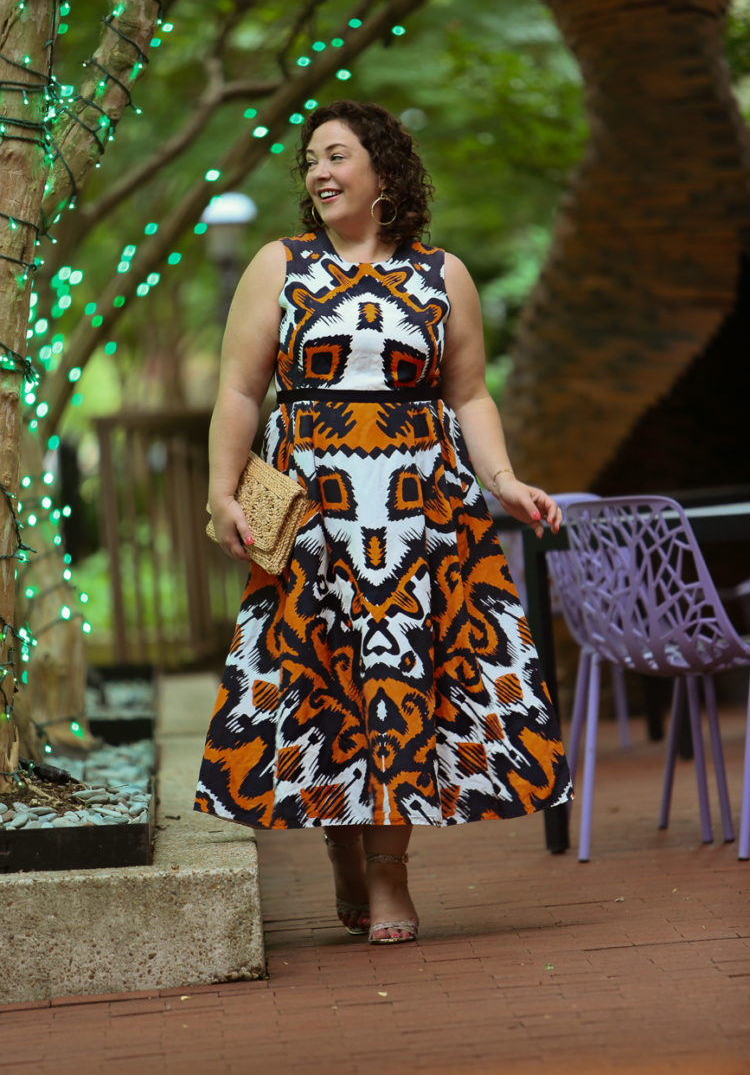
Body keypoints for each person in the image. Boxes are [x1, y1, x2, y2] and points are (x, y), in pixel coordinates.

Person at [195, 100, 572, 945]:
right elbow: (240, 388)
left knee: (402, 684)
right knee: (323, 682)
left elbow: (468, 393)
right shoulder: (278, 265)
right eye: (309, 160)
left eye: (336, 155)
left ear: (384, 170)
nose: (319, 172)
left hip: (418, 516)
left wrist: (503, 479)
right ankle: (343, 843)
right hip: (311, 511)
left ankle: (388, 870)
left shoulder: (445, 276)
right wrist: (224, 491)